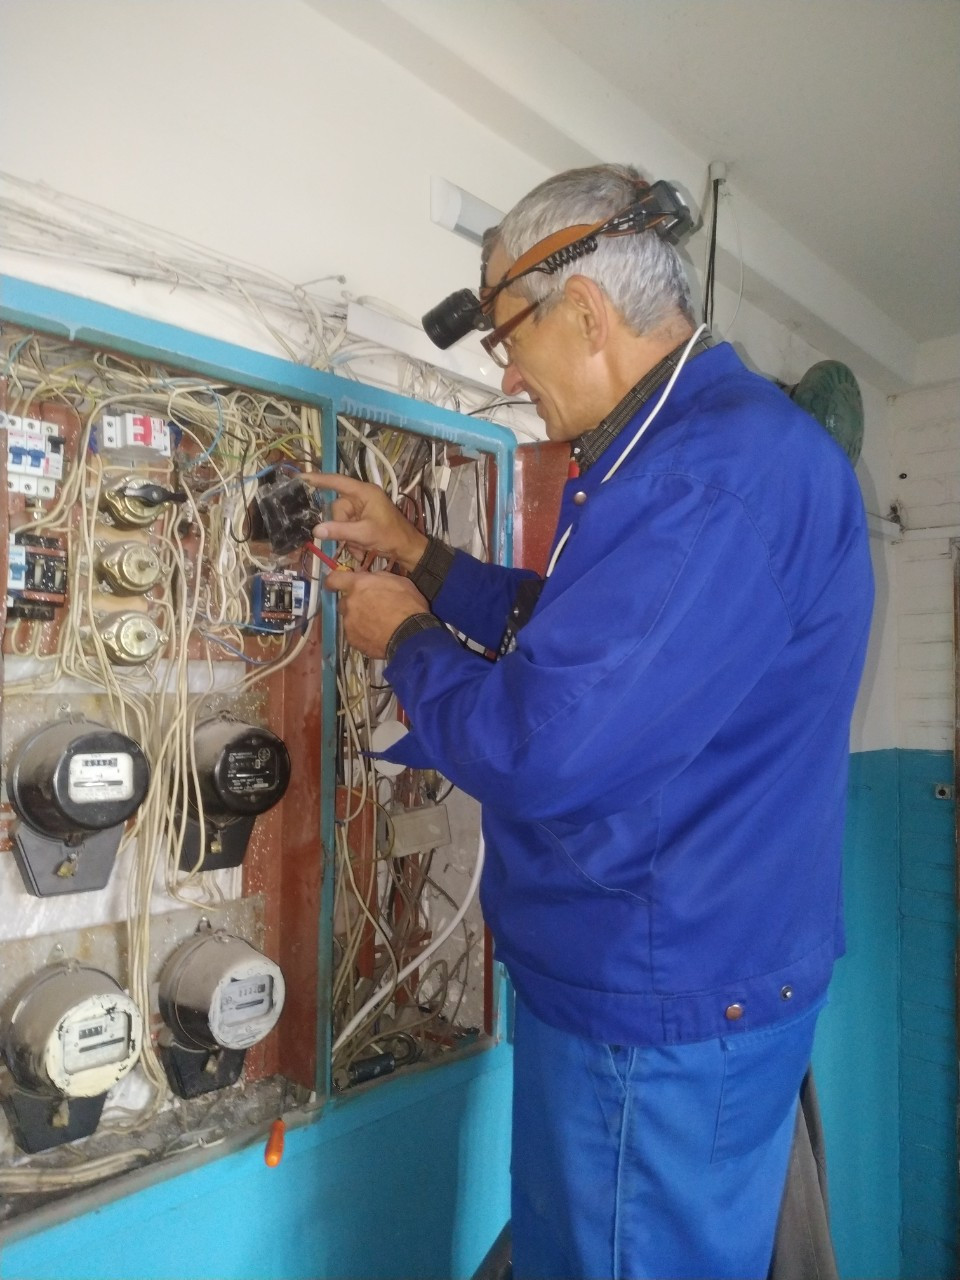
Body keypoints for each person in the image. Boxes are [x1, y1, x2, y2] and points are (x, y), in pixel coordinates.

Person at [309, 164, 873, 1280]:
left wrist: (406, 636)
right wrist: (423, 558)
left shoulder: (708, 477)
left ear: (585, 310)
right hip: (668, 983)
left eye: (507, 339)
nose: (507, 373)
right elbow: (596, 644)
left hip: (654, 1009)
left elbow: (546, 742)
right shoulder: (695, 451)